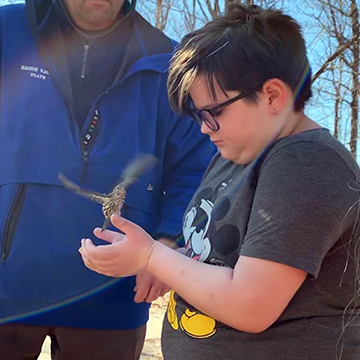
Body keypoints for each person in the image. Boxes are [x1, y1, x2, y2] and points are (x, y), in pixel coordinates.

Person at [79, 4, 360, 360]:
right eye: (198, 115)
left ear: (273, 96)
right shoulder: (233, 157)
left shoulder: (307, 163)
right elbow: (221, 259)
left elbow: (250, 305)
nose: (203, 128)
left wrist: (152, 255)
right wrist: (168, 262)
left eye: (214, 113)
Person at [0, 0, 214, 359]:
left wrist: (168, 243)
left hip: (113, 296)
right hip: (7, 285)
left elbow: (196, 167)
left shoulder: (169, 60)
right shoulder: (7, 30)